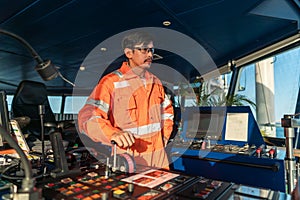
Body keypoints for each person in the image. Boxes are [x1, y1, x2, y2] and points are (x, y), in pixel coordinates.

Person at [78, 31, 174, 170]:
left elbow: (168, 112)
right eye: (144, 50)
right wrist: (112, 133)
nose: (150, 55)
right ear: (129, 53)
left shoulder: (156, 82)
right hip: (130, 161)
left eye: (151, 50)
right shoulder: (111, 82)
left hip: (159, 160)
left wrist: (163, 138)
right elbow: (86, 117)